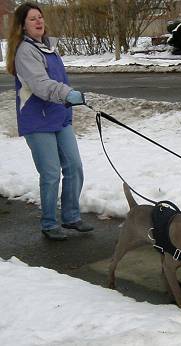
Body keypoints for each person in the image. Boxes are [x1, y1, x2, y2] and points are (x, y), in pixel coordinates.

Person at [6, 2, 93, 240]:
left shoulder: (48, 47)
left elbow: (57, 79)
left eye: (40, 17)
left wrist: (67, 98)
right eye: (32, 18)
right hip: (37, 120)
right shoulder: (25, 51)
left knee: (74, 167)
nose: (39, 21)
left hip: (58, 116)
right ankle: (49, 223)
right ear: (23, 25)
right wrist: (67, 94)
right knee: (51, 173)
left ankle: (71, 217)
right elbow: (41, 85)